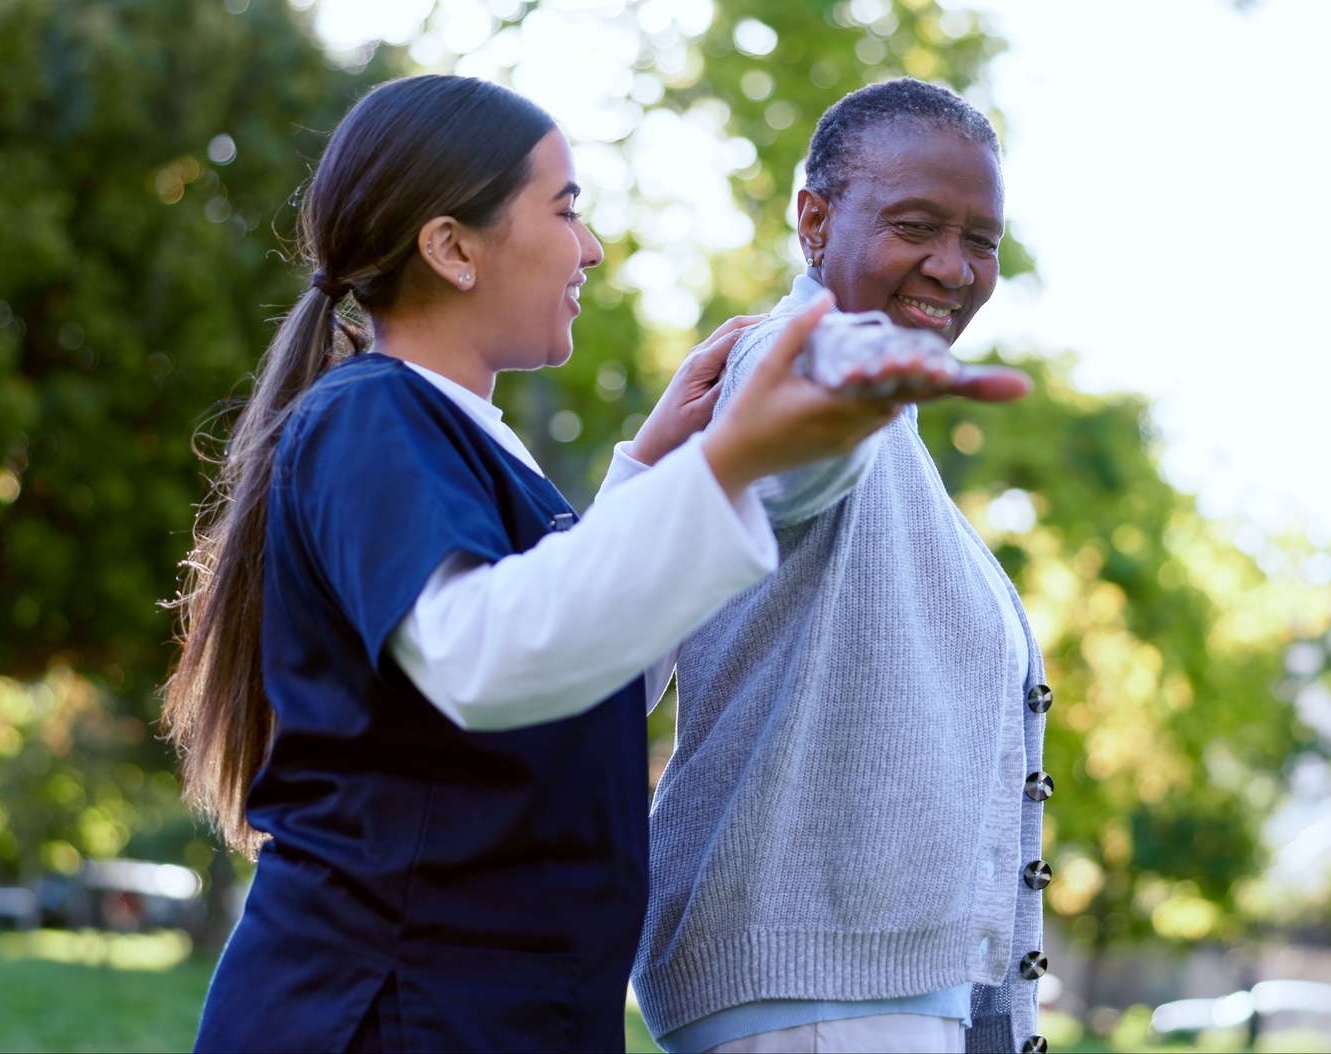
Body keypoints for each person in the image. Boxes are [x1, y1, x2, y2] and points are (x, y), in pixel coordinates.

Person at [159, 75, 954, 1052]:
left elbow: (583, 673)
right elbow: (478, 656)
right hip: (381, 1017)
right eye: (565, 209)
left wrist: (655, 469)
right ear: (452, 248)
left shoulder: (469, 444)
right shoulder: (367, 414)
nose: (592, 247)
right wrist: (727, 463)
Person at [632, 79, 1053, 1054]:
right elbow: (791, 468)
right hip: (815, 1005)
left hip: (866, 1000)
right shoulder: (795, 359)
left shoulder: (884, 422)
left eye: (980, 240)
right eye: (915, 225)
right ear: (813, 222)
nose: (953, 267)